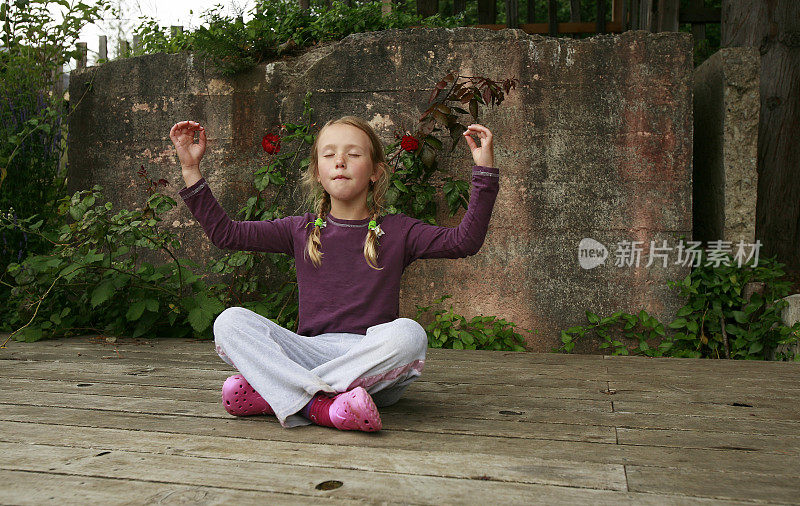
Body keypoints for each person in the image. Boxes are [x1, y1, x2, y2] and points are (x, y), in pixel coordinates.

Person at [169, 115, 499, 431]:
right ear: (317, 172)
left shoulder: (399, 231)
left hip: (371, 367)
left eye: (353, 154)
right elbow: (227, 234)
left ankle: (280, 394)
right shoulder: (297, 229)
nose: (339, 161)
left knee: (410, 336)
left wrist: (483, 171)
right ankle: (321, 407)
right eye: (329, 155)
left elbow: (463, 241)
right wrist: (190, 169)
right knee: (230, 322)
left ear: (375, 172)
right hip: (310, 352)